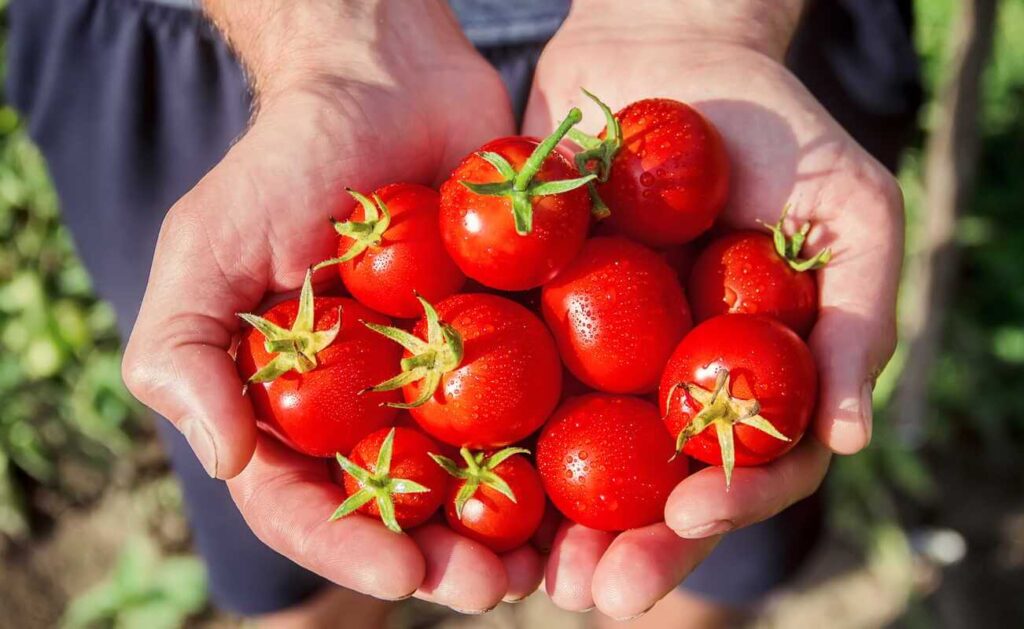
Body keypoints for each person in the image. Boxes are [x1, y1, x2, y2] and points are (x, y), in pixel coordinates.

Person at [7, 0, 919, 626]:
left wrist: (700, 17)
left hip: (721, 32)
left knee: (705, 546)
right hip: (232, 31)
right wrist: (334, 36)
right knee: (299, 563)